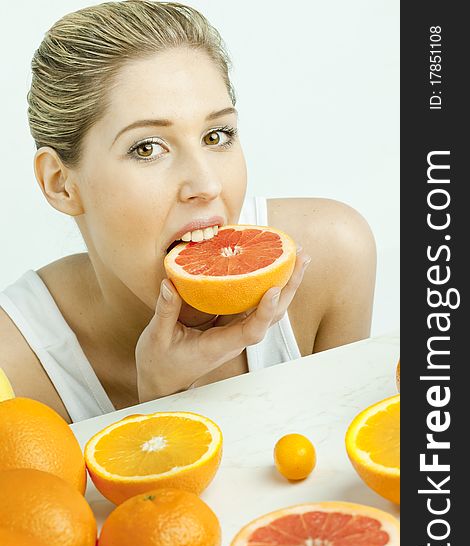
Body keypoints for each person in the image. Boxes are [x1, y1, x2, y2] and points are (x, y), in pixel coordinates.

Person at [0, 0, 376, 423]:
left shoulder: (332, 259)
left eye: (217, 135)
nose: (207, 185)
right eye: (147, 148)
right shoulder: (14, 368)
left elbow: (351, 482)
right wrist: (162, 405)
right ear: (61, 184)